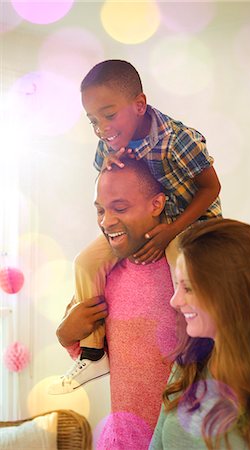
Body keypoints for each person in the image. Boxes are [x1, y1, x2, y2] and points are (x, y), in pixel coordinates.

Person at [50, 59, 222, 394]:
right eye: (93, 120)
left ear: (139, 105)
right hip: (144, 222)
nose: (101, 128)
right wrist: (109, 169)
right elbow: (108, 192)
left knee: (178, 263)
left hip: (191, 221)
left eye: (109, 115)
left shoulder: (176, 139)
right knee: (85, 262)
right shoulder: (107, 145)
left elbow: (210, 188)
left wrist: (172, 230)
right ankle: (93, 351)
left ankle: (196, 350)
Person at [50, 159, 178, 449]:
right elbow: (95, 354)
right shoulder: (105, 276)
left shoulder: (183, 274)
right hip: (122, 441)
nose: (106, 221)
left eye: (119, 208)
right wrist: (66, 335)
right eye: (99, 210)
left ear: (156, 204)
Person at [149, 219, 250, 450]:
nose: (174, 300)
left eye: (188, 288)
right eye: (177, 285)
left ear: (231, 294)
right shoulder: (188, 367)